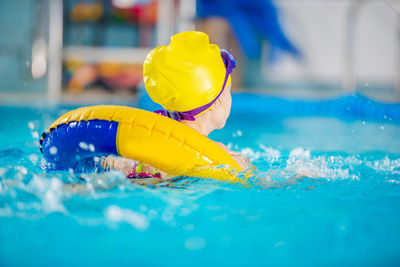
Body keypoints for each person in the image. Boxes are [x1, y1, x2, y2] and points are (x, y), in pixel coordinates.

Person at [101, 31, 251, 180]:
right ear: (216, 102)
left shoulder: (150, 137)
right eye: (229, 91)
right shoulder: (216, 153)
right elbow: (252, 180)